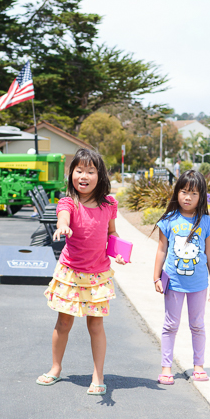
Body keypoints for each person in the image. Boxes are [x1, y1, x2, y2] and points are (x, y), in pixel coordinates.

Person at [37, 148, 127, 396]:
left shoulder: (109, 204)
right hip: (71, 273)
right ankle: (56, 368)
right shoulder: (68, 202)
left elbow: (111, 233)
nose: (83, 176)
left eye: (90, 171)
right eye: (79, 170)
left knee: (96, 325)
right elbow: (63, 219)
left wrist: (117, 251)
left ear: (100, 176)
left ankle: (98, 375)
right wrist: (63, 227)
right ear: (71, 174)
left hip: (97, 274)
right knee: (63, 322)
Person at [153, 170, 210, 385]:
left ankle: (198, 365)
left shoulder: (206, 222)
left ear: (201, 197)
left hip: (198, 284)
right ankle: (166, 367)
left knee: (197, 325)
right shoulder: (168, 220)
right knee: (170, 325)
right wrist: (156, 277)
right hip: (173, 283)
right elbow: (161, 250)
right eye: (184, 192)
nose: (188, 197)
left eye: (194, 193)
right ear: (177, 193)